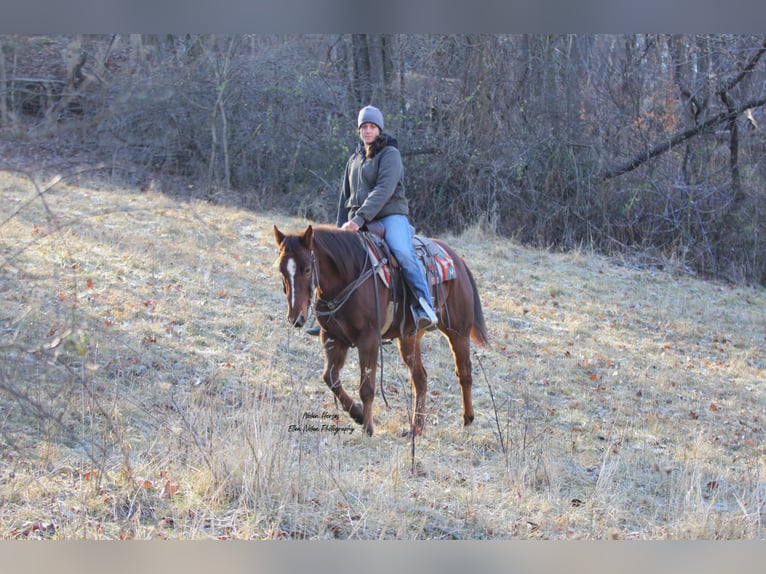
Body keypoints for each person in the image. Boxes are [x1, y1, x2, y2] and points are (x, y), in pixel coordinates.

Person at [307, 105, 437, 336]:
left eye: (372, 126)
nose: (368, 131)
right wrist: (340, 230)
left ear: (379, 129)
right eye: (364, 127)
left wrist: (359, 219)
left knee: (403, 252)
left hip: (390, 215)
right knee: (333, 259)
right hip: (359, 219)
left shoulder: (390, 154)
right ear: (359, 130)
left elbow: (383, 190)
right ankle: (329, 315)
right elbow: (344, 197)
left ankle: (424, 305)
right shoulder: (354, 159)